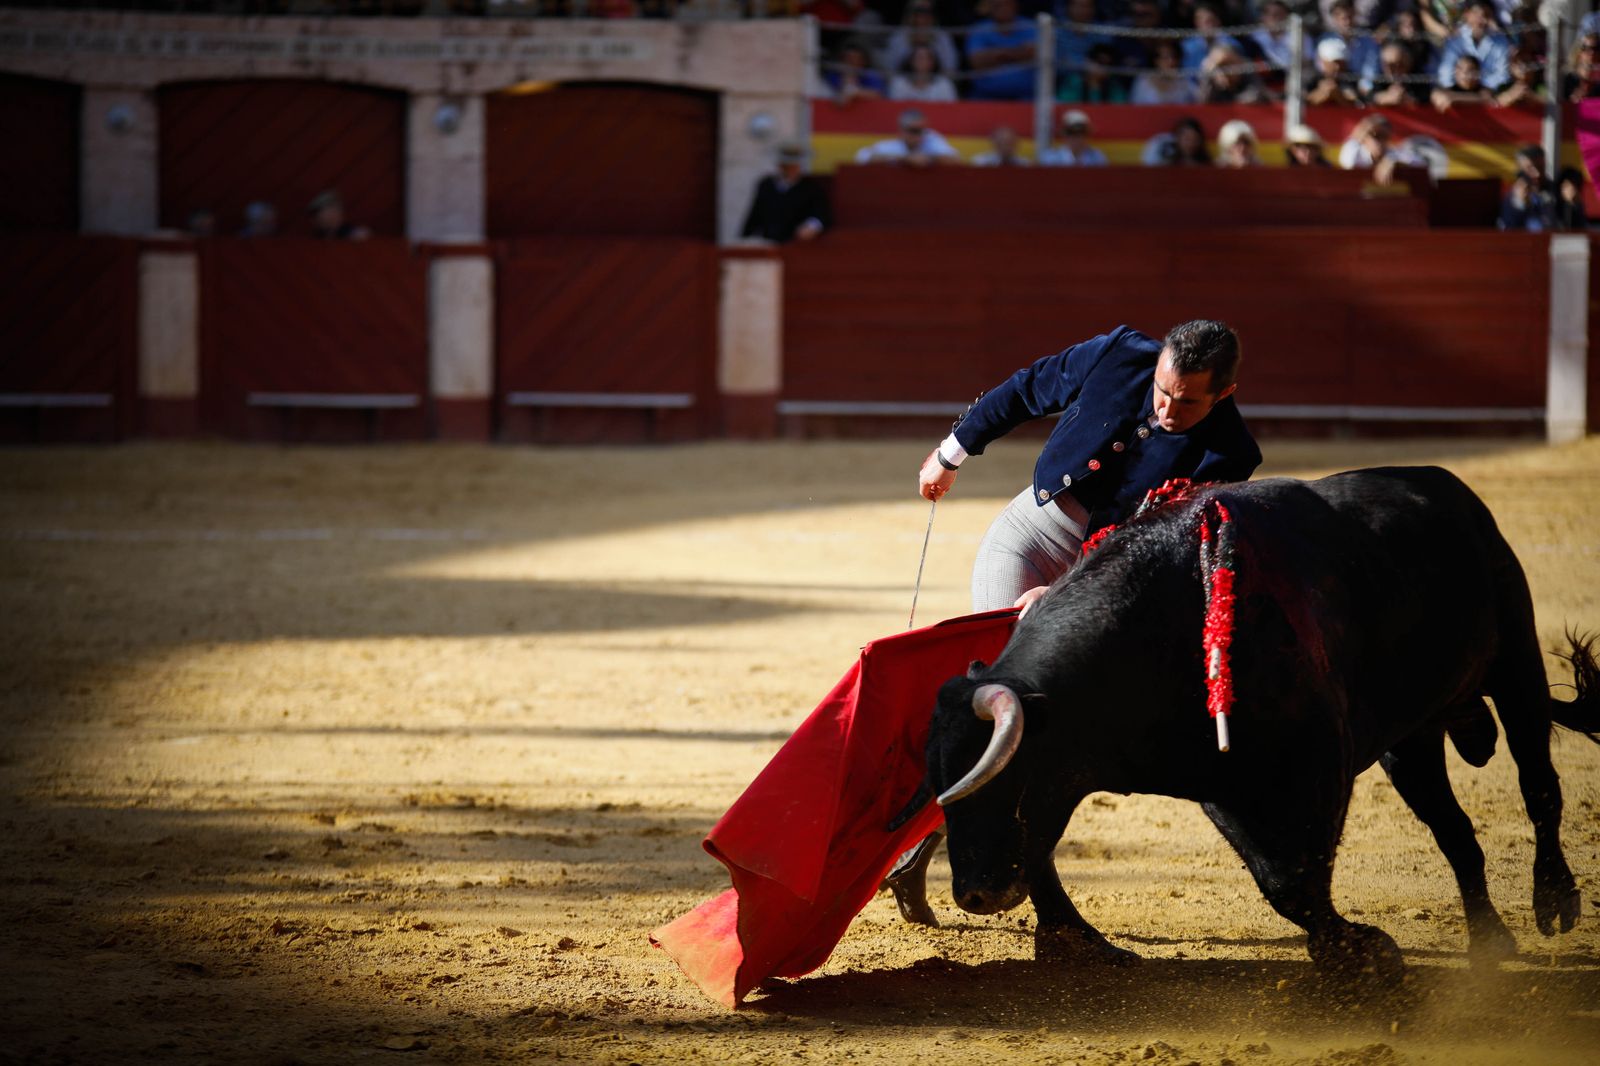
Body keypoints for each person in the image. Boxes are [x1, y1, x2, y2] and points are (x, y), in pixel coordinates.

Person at [915, 320, 1261, 615]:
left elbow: (1166, 550)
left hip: (1113, 579)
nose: (1167, 410)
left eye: (1187, 401)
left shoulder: (1230, 455)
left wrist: (1069, 591)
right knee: (998, 671)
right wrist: (950, 455)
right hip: (1033, 535)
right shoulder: (1119, 354)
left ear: (1223, 393)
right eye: (1162, 389)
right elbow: (1028, 389)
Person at [740, 142, 831, 244]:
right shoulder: (766, 185)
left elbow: (821, 214)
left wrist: (812, 226)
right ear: (780, 166)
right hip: (769, 242)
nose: (791, 169)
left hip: (796, 244)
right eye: (787, 165)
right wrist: (746, 237)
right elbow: (755, 213)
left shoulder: (810, 187)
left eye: (794, 165)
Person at [966, 0, 1039, 101]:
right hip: (985, 98)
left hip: (1028, 97)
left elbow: (1036, 54)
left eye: (1007, 4)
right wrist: (1019, 52)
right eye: (998, 5)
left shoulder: (1030, 27)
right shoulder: (980, 29)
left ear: (1015, 5)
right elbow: (977, 62)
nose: (1003, 8)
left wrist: (996, 54)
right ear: (990, 7)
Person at [1435, 0, 1511, 93]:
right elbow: (1445, 76)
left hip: (1489, 96)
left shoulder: (1501, 41)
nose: (1482, 20)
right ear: (1467, 14)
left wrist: (1479, 86)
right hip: (1458, 94)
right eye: (1478, 15)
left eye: (1487, 16)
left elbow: (1503, 76)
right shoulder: (1455, 39)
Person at [854, 108, 962, 165]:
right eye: (913, 131)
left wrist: (930, 158)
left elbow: (956, 160)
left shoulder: (932, 141)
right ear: (901, 131)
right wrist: (905, 159)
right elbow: (862, 157)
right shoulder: (892, 146)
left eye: (921, 131)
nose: (918, 135)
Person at [1131, 38, 1199, 105]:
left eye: (1174, 57)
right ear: (1155, 60)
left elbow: (1199, 101)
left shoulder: (1185, 81)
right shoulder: (1143, 80)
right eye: (1165, 57)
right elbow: (1134, 106)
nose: (1170, 62)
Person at [1306, 38, 1365, 107]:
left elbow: (1356, 104)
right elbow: (1301, 103)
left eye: (1341, 63)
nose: (1338, 67)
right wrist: (1321, 93)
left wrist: (1337, 94)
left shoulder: (1350, 79)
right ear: (1323, 61)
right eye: (1334, 62)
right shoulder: (1311, 79)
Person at [1037, 109, 1109, 166]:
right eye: (1071, 132)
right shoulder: (1050, 159)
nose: (1076, 138)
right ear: (1064, 135)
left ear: (1087, 135)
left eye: (1081, 133)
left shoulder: (1097, 158)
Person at [1369, 41, 1431, 107]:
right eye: (1385, 64)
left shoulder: (1419, 75)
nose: (1390, 69)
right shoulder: (1381, 76)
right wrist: (1383, 97)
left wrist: (1410, 99)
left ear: (1407, 62)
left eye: (1395, 64)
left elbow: (1426, 96)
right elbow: (1369, 96)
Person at [889, 44, 959, 102]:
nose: (922, 61)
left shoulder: (944, 85)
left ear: (933, 62)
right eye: (919, 57)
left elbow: (951, 109)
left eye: (927, 58)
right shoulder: (899, 83)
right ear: (911, 61)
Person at [1431, 53, 1497, 111]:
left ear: (1478, 73)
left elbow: (1486, 99)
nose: (1464, 73)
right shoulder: (1446, 90)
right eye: (1460, 69)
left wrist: (1453, 98)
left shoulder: (1485, 91)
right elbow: (1437, 95)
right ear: (1455, 72)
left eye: (1470, 70)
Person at [1554, 167, 1590, 231]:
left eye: (1576, 186)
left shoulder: (1581, 207)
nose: (1572, 190)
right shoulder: (1554, 208)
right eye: (1567, 186)